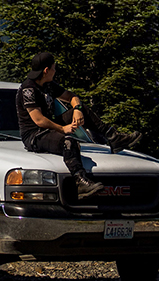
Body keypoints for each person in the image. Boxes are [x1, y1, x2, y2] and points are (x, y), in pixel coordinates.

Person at [16, 52, 142, 198]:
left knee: (83, 111)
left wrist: (77, 109)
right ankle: (80, 180)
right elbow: (39, 120)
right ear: (46, 70)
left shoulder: (48, 84)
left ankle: (113, 137)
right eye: (54, 68)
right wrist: (63, 129)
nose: (55, 71)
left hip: (49, 126)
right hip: (35, 135)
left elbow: (72, 96)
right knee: (69, 142)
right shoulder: (28, 89)